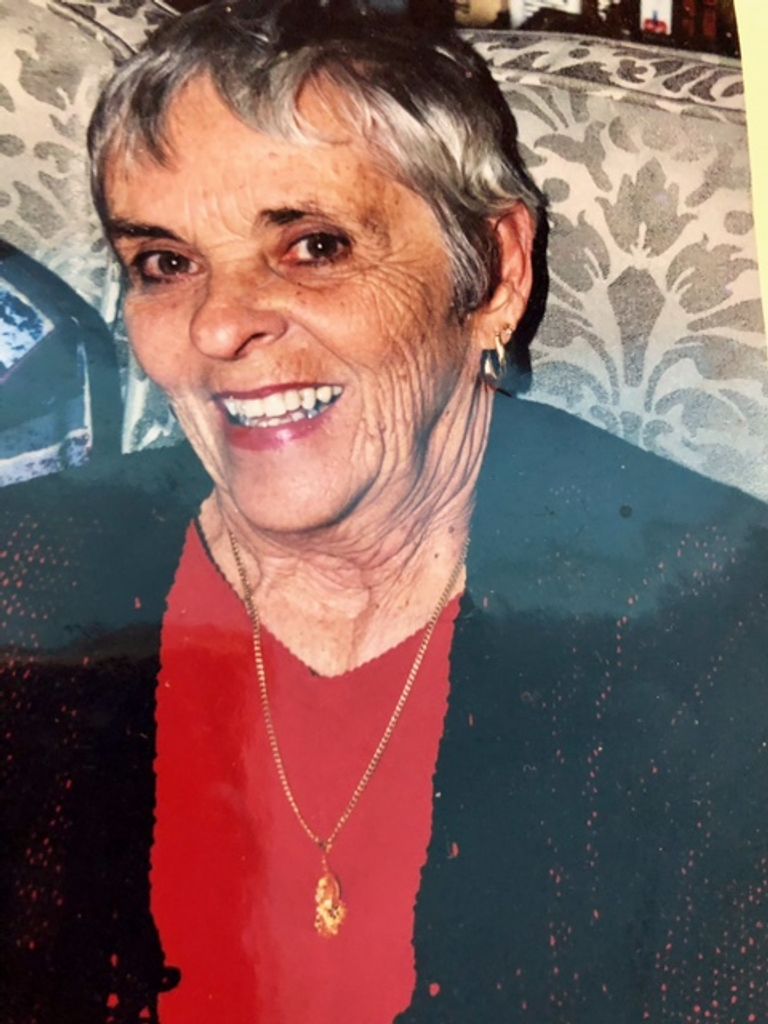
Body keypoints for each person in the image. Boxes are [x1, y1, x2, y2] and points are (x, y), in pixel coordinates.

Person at [2, 2, 767, 1022]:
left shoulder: (720, 625)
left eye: (313, 245)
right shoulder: (27, 579)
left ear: (494, 273)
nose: (218, 326)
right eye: (166, 263)